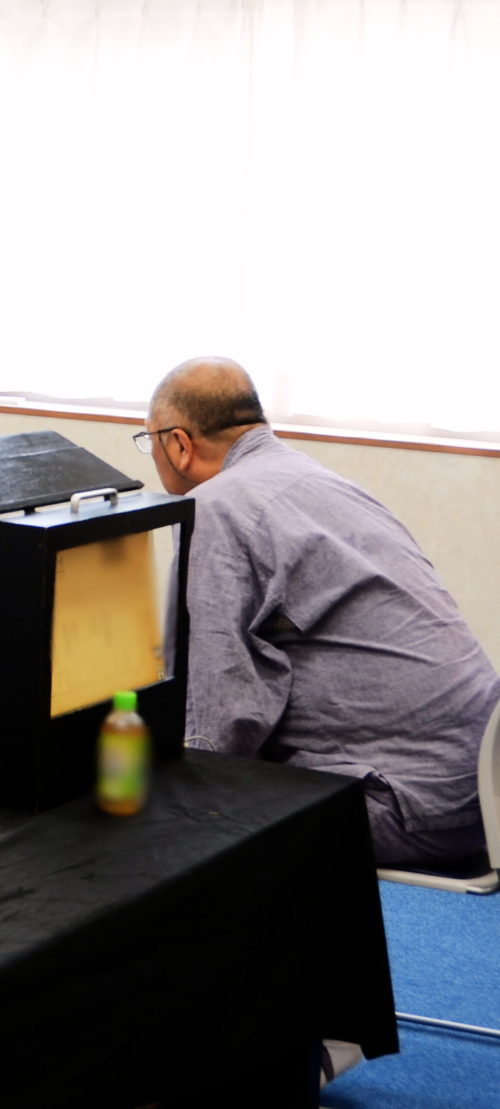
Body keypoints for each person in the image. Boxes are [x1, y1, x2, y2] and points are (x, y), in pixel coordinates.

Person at [142, 358, 500, 869]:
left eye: (148, 440)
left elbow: (216, 725)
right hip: (483, 789)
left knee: (160, 812)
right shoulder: (316, 479)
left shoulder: (215, 506)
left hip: (402, 802)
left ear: (178, 444)